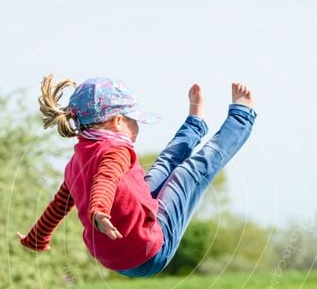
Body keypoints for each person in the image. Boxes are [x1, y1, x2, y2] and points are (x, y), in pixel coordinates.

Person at [17, 75, 257, 277]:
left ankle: (194, 122)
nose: (137, 126)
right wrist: (99, 211)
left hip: (118, 252)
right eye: (134, 120)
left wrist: (37, 237)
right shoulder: (115, 150)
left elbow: (59, 205)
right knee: (187, 173)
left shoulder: (76, 161)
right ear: (118, 121)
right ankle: (241, 116)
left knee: (162, 166)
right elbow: (106, 180)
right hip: (147, 253)